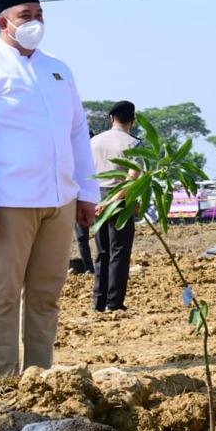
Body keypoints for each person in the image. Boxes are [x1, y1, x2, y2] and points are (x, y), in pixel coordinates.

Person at [0, 0, 99, 377]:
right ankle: (1, 379)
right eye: (25, 16)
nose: (34, 22)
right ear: (3, 22)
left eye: (38, 15)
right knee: (1, 293)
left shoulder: (57, 69)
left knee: (46, 294)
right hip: (7, 203)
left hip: (59, 200)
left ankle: (40, 375)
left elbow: (76, 132)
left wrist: (86, 191)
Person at [90, 100, 141, 312]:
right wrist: (113, 201)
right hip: (120, 198)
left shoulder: (94, 141)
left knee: (102, 251)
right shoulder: (133, 144)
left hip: (96, 197)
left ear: (111, 118)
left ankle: (98, 301)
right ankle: (114, 302)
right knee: (119, 252)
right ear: (133, 120)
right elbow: (133, 178)